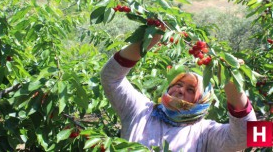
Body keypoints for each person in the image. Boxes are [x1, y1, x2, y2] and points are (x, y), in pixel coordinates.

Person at [100, 34, 257, 151]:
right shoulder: (141, 111)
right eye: (178, 84)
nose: (180, 90)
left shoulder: (205, 132)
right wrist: (150, 37)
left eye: (190, 90)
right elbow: (110, 78)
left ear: (202, 101)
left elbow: (252, 136)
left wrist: (231, 81)